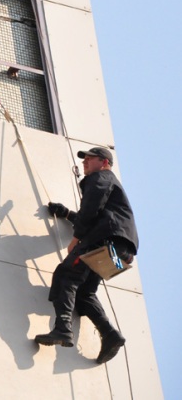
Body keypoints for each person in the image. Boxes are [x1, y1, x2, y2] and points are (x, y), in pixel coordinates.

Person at [35, 147, 138, 364]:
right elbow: (98, 214)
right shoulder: (110, 185)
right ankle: (110, 334)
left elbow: (92, 208)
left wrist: (77, 237)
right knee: (84, 293)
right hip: (120, 247)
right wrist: (67, 214)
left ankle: (63, 329)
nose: (85, 163)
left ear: (104, 162)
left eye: (89, 159)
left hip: (104, 239)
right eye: (84, 160)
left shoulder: (101, 177)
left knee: (66, 275)